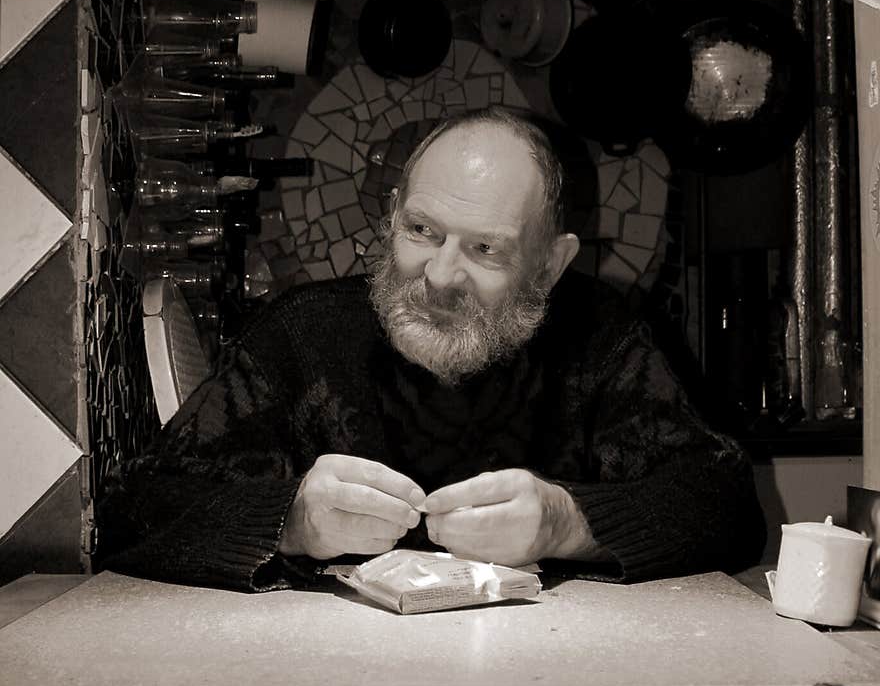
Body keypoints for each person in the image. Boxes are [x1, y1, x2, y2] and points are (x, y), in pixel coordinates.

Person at [97, 108, 767, 590]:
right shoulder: (300, 336)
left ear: (550, 264)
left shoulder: (604, 336)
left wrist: (570, 523)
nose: (441, 275)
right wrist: (290, 520)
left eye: (485, 248)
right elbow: (129, 511)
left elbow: (729, 507)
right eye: (422, 230)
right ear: (391, 217)